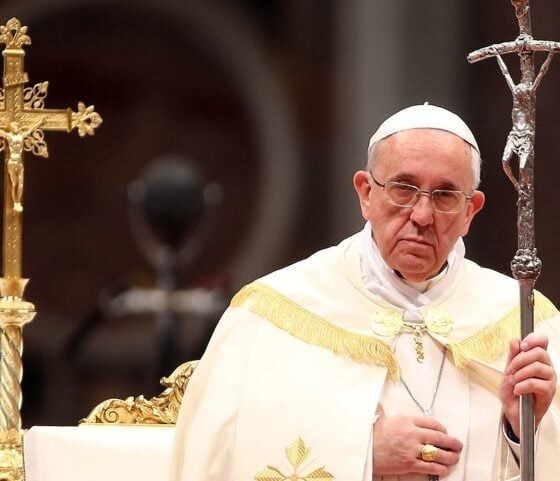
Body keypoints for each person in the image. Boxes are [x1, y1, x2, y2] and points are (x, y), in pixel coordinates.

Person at [169, 104, 560, 481]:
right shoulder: (270, 314)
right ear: (366, 193)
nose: (422, 215)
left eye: (445, 196)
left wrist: (523, 430)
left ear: (470, 211)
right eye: (403, 189)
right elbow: (223, 453)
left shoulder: (523, 321)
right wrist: (363, 451)